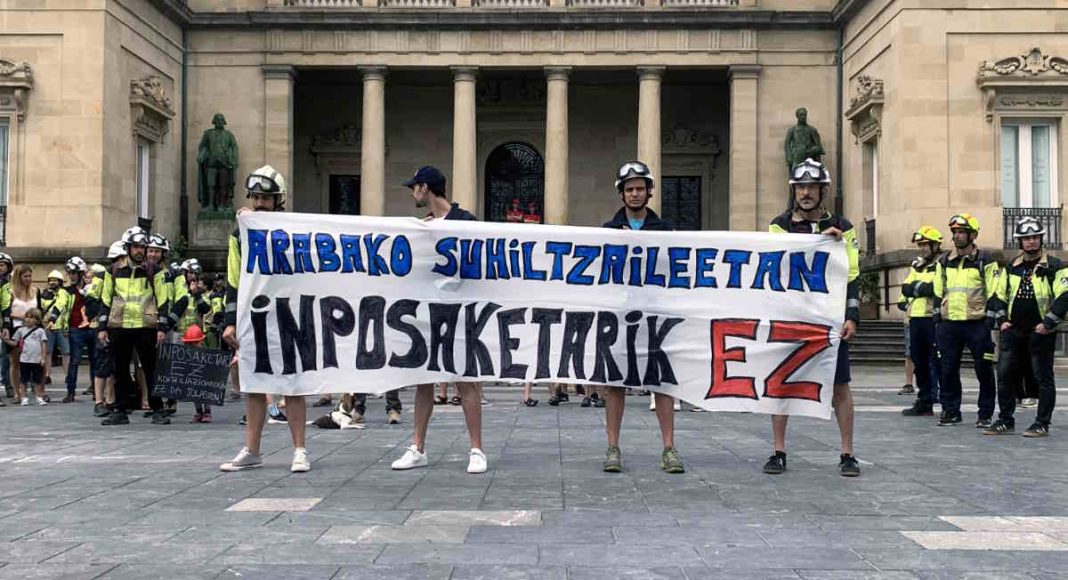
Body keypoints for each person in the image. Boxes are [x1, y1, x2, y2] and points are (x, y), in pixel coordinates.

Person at [763, 158, 861, 477]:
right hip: (791, 317)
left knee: (840, 385)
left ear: (823, 190)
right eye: (800, 187)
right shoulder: (779, 224)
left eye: (812, 187)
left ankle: (847, 453)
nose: (806, 193)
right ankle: (778, 451)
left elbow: (853, 274)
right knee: (781, 382)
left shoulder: (844, 228)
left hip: (831, 320)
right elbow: (776, 266)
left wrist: (852, 316)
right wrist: (817, 241)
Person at [390, 165, 487, 474]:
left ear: (425, 188)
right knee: (423, 381)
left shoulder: (465, 221)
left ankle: (477, 449)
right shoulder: (422, 227)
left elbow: (477, 263)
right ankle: (417, 447)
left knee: (466, 381)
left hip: (459, 311)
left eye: (413, 188)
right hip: (426, 312)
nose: (412, 194)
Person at [220, 165, 310, 473]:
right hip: (253, 315)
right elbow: (233, 279)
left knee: (293, 383)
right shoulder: (239, 235)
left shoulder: (292, 229)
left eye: (266, 198)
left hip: (288, 314)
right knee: (254, 384)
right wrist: (229, 321)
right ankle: (253, 449)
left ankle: (300, 449)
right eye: (255, 197)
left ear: (278, 200)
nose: (259, 203)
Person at [599, 160, 685, 474]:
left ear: (649, 192)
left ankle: (669, 447)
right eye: (629, 189)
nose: (635, 194)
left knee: (661, 382)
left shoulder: (666, 230)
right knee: (615, 383)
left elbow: (673, 270)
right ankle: (612, 447)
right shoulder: (608, 231)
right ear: (621, 194)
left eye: (640, 188)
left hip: (656, 315)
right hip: (619, 315)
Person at [986, 217, 1067, 438]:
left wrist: (1048, 322)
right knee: (1004, 375)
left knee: (1043, 378)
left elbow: (1064, 296)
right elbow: (998, 295)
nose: (1031, 242)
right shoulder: (1011, 267)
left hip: (1041, 331)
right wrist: (1002, 320)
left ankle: (1042, 423)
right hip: (1013, 331)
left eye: (1035, 237)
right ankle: (1005, 420)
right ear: (1019, 242)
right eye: (1026, 238)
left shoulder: (1055, 266)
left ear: (1041, 239)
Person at [96, 227, 169, 426]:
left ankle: (158, 409)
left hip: (146, 326)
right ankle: (120, 410)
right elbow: (105, 300)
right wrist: (102, 328)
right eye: (136, 247)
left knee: (151, 368)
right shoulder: (114, 271)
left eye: (143, 247)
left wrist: (162, 328)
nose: (140, 251)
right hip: (119, 326)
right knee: (119, 369)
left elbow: (163, 301)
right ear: (128, 248)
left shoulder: (154, 271)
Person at [932, 213, 999, 428]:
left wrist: (989, 321)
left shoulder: (985, 260)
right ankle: (951, 411)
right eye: (955, 232)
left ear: (972, 235)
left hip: (976, 323)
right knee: (947, 369)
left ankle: (985, 414)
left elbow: (994, 291)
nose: (958, 236)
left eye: (962, 232)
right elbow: (937, 291)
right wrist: (938, 320)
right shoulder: (944, 261)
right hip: (950, 323)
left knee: (984, 369)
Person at [899, 226, 944, 417]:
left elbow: (936, 288)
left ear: (935, 245)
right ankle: (924, 402)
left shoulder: (943, 263)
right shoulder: (917, 265)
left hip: (932, 320)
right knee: (919, 363)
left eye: (926, 244)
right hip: (915, 319)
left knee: (939, 363)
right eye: (920, 245)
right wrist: (920, 288)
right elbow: (905, 288)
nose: (923, 248)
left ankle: (947, 403)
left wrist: (917, 288)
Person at [58, 257, 94, 404]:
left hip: (92, 327)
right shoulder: (66, 290)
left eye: (74, 273)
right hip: (75, 328)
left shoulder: (91, 288)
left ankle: (96, 390)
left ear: (80, 273)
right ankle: (70, 391)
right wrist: (54, 318)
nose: (71, 276)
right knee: (74, 361)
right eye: (69, 273)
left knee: (95, 360)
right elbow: (60, 305)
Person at [40, 269, 72, 394]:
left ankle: (67, 375)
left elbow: (62, 306)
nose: (52, 282)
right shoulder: (44, 295)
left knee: (66, 353)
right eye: (51, 280)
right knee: (47, 352)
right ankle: (47, 375)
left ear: (60, 282)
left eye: (55, 280)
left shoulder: (63, 293)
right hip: (48, 327)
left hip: (62, 327)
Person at [9, 308, 47, 406]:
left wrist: (43, 358)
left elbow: (43, 345)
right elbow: (15, 342)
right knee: (23, 379)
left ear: (37, 320)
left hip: (36, 359)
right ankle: (24, 397)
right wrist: (6, 340)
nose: (28, 319)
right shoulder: (20, 330)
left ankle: (39, 397)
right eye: (27, 317)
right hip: (24, 359)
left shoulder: (40, 331)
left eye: (31, 318)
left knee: (37, 380)